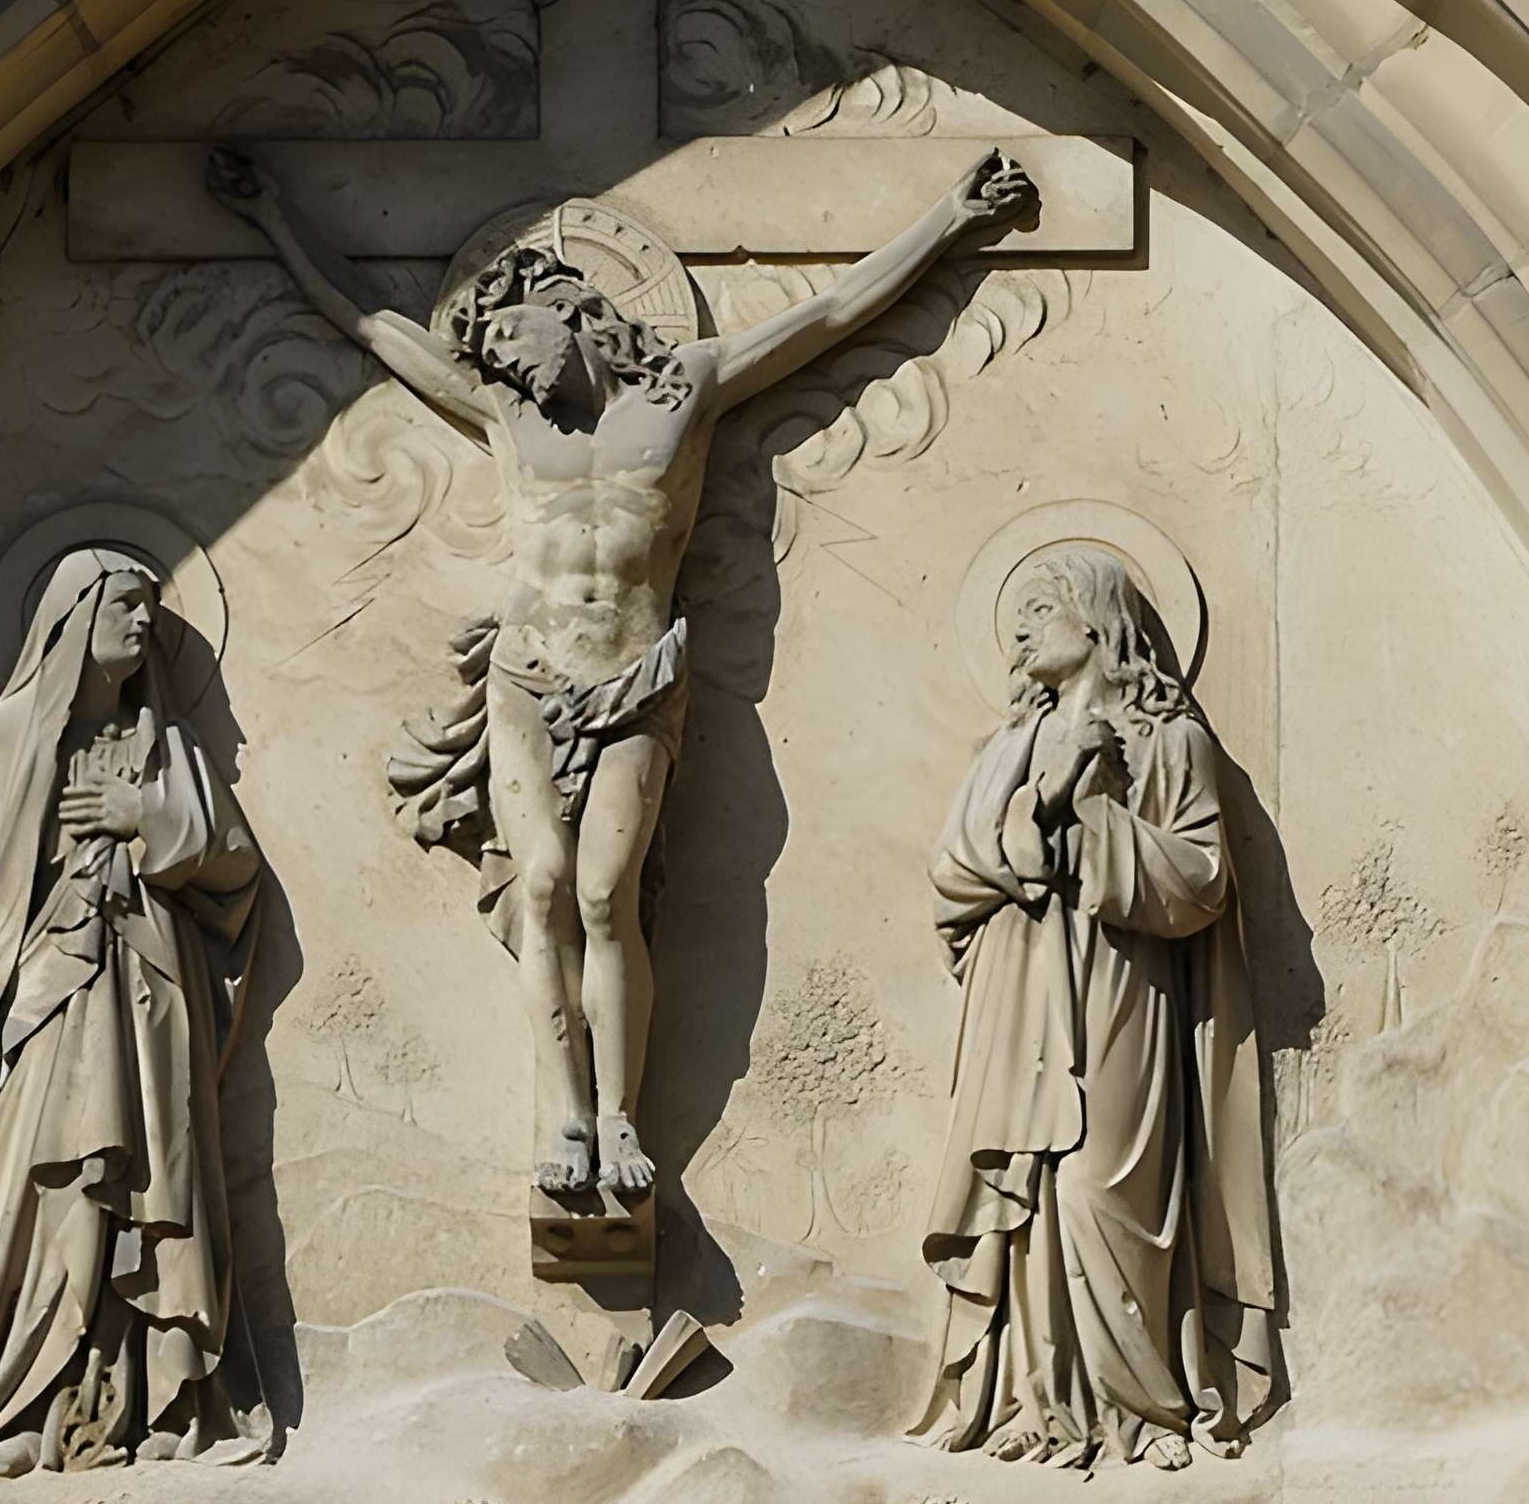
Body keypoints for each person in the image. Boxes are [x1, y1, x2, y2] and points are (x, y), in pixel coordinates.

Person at [212, 146, 1040, 1200]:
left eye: (508, 334)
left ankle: (615, 1119)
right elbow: (376, 330)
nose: (501, 362)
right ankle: (562, 1119)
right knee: (546, 887)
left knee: (607, 895)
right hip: (526, 676)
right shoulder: (509, 415)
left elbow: (831, 316)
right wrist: (277, 219)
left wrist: (953, 217)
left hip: (638, 681)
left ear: (564, 308)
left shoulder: (685, 391)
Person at [0, 547, 272, 1474]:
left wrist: (144, 813)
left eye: (152, 609)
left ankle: (138, 1402)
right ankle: (27, 1400)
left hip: (150, 995)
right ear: (75, 613)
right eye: (129, 604)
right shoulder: (6, 737)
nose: (145, 624)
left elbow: (235, 866)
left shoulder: (167, 750)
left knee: (155, 1187)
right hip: (50, 996)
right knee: (52, 1188)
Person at [911, 547, 1279, 1470]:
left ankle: (1145, 1412)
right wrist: (1042, 796)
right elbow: (955, 872)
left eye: (1044, 606)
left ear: (1096, 621)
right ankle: (1048, 1411)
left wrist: (1097, 819)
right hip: (1023, 989)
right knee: (1029, 1189)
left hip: (1123, 986)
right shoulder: (1003, 750)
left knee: (1100, 1185)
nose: (1023, 626)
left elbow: (1200, 879)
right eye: (1020, 610)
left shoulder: (1170, 743)